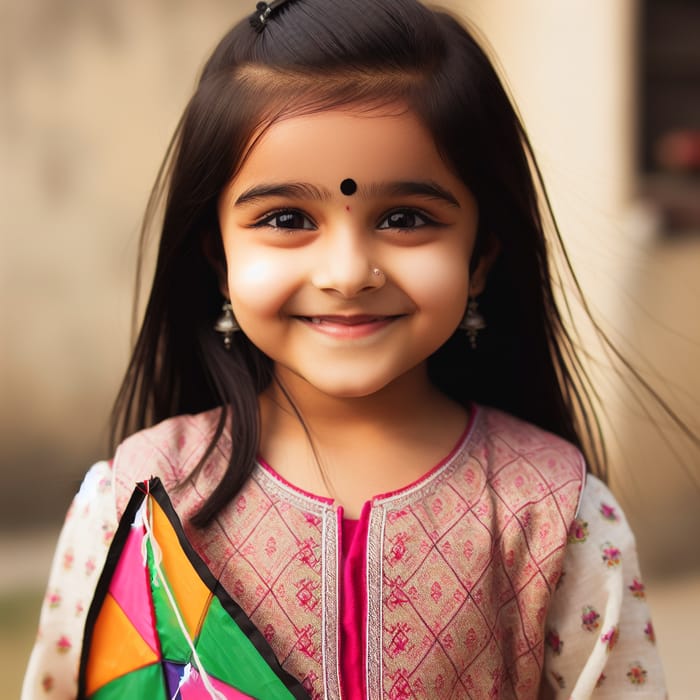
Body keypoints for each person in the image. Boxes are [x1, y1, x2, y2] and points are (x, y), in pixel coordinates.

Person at [22, 0, 668, 698]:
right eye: (287, 219)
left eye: (405, 218)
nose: (348, 272)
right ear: (219, 260)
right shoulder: (134, 506)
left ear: (479, 257)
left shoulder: (555, 515)